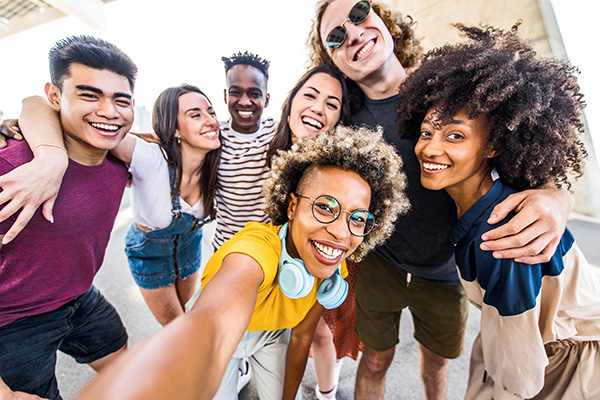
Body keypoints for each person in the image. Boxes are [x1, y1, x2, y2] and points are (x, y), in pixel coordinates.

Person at [307, 1, 574, 399]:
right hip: (384, 263)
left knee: (436, 363)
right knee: (375, 360)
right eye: (335, 37)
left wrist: (556, 196)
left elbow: (520, 141)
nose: (354, 33)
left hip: (449, 270)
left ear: (384, 20)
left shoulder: (449, 87)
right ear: (334, 62)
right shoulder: (343, 116)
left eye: (360, 13)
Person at [75, 124, 410, 400]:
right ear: (292, 206)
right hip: (231, 337)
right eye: (324, 207)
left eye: (358, 218)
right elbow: (212, 325)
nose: (340, 232)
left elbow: (301, 339)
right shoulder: (255, 249)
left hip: (273, 336)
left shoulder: (331, 263)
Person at [397, 23, 600, 399]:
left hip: (569, 366)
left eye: (454, 135)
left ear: (492, 146)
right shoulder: (479, 200)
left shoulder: (503, 236)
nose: (430, 148)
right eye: (427, 132)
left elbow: (520, 378)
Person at [0, 35, 137, 400]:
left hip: (78, 297)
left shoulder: (119, 164)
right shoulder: (11, 168)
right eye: (89, 95)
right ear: (55, 96)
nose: (109, 111)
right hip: (12, 322)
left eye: (120, 100)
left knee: (125, 365)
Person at [16, 85, 221, 327]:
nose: (210, 121)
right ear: (175, 128)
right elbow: (38, 105)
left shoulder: (219, 159)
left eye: (211, 112)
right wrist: (45, 149)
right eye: (195, 115)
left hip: (190, 247)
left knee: (182, 316)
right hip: (151, 254)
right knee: (178, 327)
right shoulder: (150, 158)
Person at [268, 63, 359, 400]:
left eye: (332, 104)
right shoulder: (266, 146)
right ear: (291, 101)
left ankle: (326, 393)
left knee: (319, 335)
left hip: (316, 262)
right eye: (310, 95)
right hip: (272, 259)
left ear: (338, 119)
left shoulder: (337, 166)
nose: (319, 108)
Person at [213, 50, 276, 250]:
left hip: (264, 248)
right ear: (225, 95)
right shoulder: (213, 135)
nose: (244, 101)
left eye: (254, 94)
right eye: (235, 92)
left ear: (266, 99)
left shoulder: (277, 132)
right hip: (224, 246)